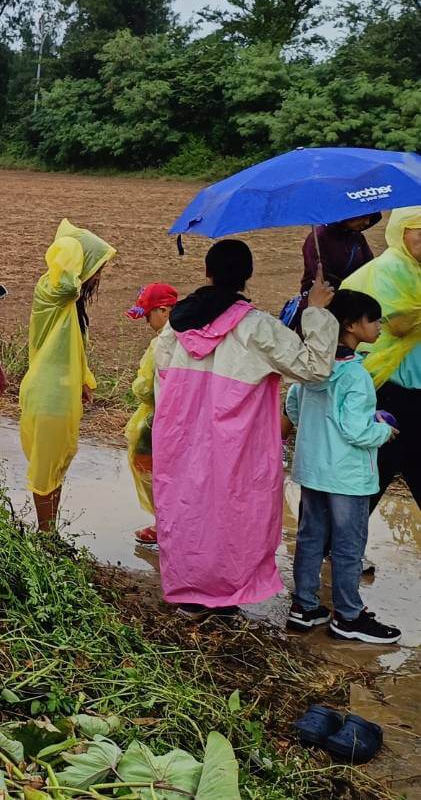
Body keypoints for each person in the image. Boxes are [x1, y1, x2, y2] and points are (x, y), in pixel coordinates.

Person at [153, 239, 337, 615]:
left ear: (207, 271)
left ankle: (190, 590)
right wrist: (315, 312)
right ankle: (224, 593)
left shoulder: (177, 324)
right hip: (236, 441)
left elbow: (163, 376)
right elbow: (314, 368)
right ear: (248, 276)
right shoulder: (257, 327)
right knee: (234, 509)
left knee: (187, 506)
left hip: (181, 434)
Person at [286, 289, 400, 644]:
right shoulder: (355, 376)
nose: (379, 327)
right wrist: (383, 430)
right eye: (373, 320)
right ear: (350, 326)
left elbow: (292, 407)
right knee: (349, 545)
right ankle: (348, 615)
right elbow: (356, 430)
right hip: (347, 476)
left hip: (313, 468)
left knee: (311, 537)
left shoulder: (313, 368)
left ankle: (305, 607)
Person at [19, 219, 116, 531]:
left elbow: (73, 349)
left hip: (63, 394)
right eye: (96, 266)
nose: (99, 275)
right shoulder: (53, 289)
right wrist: (72, 244)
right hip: (49, 396)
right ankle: (45, 536)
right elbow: (67, 282)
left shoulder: (71, 306)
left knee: (57, 466)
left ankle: (49, 532)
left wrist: (84, 380)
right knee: (46, 470)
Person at [342, 206, 421, 514]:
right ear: (402, 232)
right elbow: (400, 323)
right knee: (375, 473)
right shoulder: (388, 269)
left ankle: (333, 546)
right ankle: (332, 547)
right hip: (389, 389)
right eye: (419, 230)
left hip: (416, 391)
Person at [123, 283, 179, 550]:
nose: (147, 322)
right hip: (182, 420)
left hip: (157, 419)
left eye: (148, 315)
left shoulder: (162, 344)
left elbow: (146, 388)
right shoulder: (192, 336)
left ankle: (164, 525)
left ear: (164, 311)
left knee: (150, 468)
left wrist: (137, 386)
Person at [298, 216, 380, 316]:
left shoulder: (357, 237)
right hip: (323, 305)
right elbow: (324, 279)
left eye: (370, 217)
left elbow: (369, 267)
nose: (367, 222)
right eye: (363, 217)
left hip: (353, 301)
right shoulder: (318, 238)